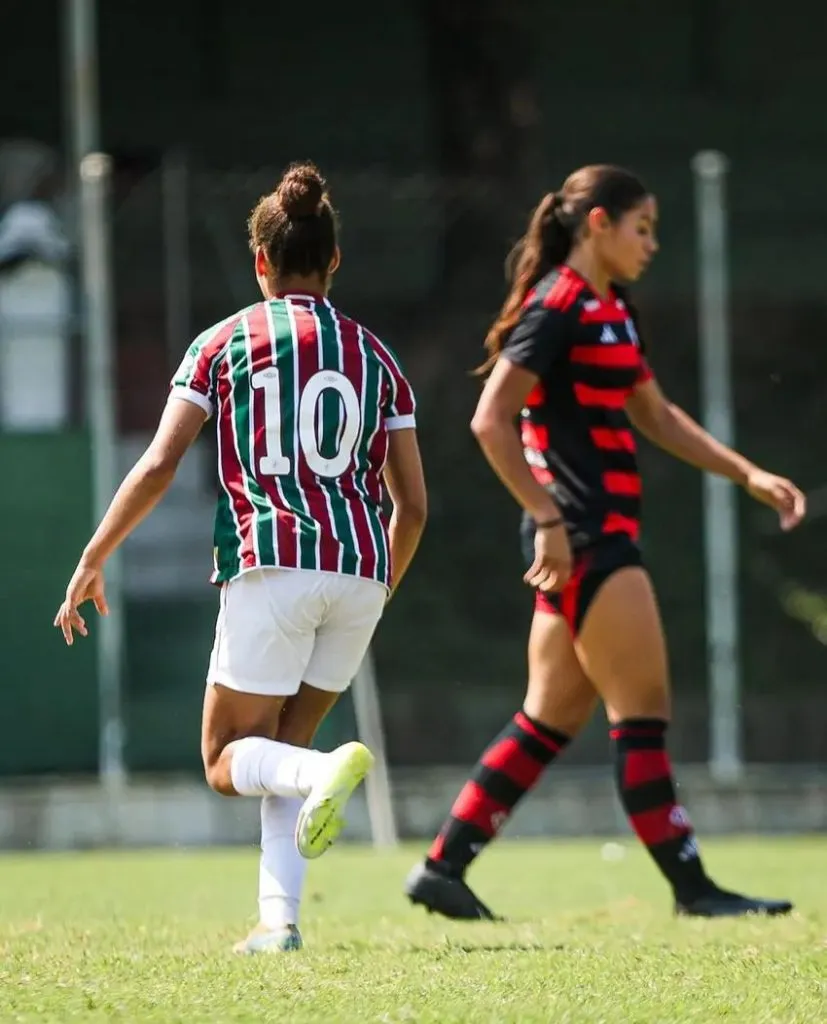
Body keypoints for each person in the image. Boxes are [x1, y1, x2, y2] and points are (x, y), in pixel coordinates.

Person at [405, 164, 805, 920]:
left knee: (548, 717)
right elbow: (489, 420)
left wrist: (745, 473)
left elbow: (653, 415)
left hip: (589, 534)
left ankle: (441, 868)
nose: (651, 243)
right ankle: (694, 890)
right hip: (585, 536)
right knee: (642, 712)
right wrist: (549, 520)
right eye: (641, 227)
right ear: (598, 224)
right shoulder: (558, 303)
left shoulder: (610, 305)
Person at [54, 162, 427, 953]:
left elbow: (159, 463)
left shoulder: (222, 342)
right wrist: (375, 587)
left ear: (262, 261)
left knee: (227, 758)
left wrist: (94, 555)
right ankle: (277, 923)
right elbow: (415, 505)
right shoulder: (378, 357)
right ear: (333, 261)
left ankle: (322, 781)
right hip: (362, 569)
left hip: (273, 564)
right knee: (277, 755)